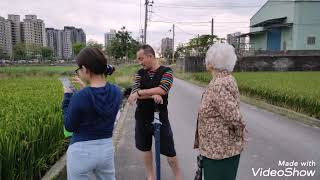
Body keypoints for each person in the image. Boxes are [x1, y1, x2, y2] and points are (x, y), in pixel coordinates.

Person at [62, 47, 122, 180]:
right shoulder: (117, 91)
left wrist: (67, 96)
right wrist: (85, 88)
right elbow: (99, 97)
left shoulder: (80, 96)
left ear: (85, 69)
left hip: (81, 152)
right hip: (106, 150)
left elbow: (69, 126)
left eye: (78, 69)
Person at [193, 43, 247, 180]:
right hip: (219, 151)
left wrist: (239, 136)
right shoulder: (226, 79)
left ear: (211, 63)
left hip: (220, 154)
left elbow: (235, 118)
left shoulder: (218, 85)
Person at [128, 45, 182, 180]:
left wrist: (141, 92)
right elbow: (134, 92)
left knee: (170, 151)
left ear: (151, 56)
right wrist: (152, 95)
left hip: (161, 118)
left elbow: (163, 89)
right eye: (138, 60)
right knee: (145, 149)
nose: (140, 62)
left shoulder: (167, 71)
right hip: (142, 117)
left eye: (141, 59)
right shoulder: (139, 73)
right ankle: (151, 176)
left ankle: (178, 176)